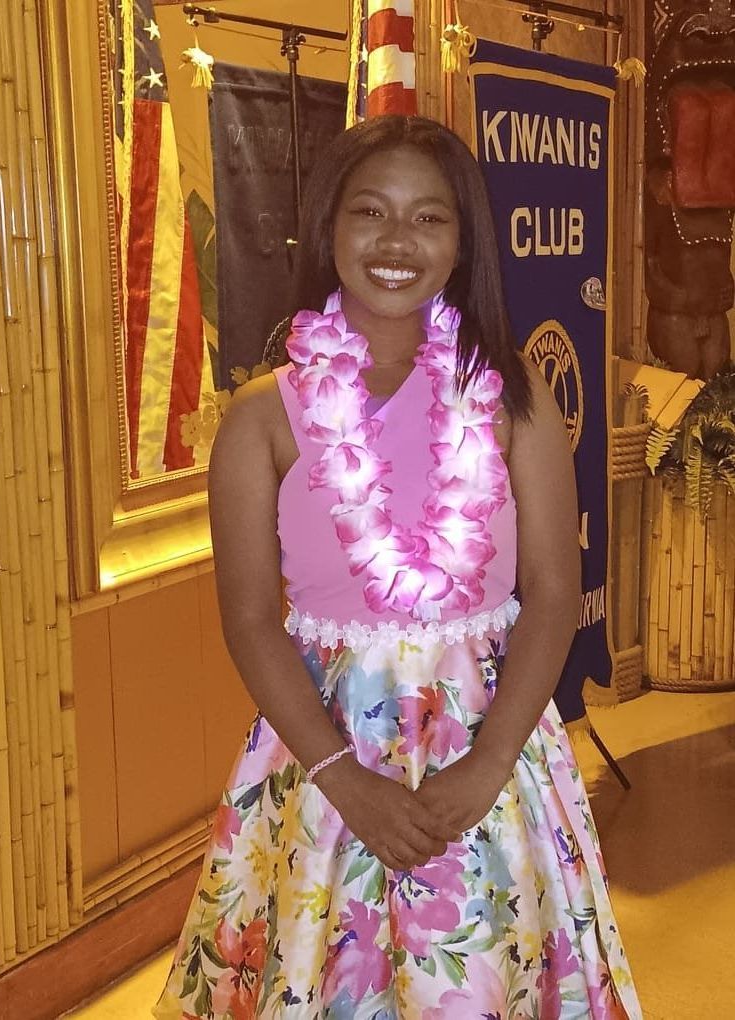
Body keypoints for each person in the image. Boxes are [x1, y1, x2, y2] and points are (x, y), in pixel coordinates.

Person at [154, 115, 641, 1019]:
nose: (395, 241)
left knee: (486, 979)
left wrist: (488, 761)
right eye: (369, 211)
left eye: (429, 218)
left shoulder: (512, 396)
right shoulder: (262, 418)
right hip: (321, 755)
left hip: (492, 751)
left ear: (463, 243)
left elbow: (548, 593)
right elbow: (252, 618)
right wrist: (343, 777)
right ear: (329, 226)